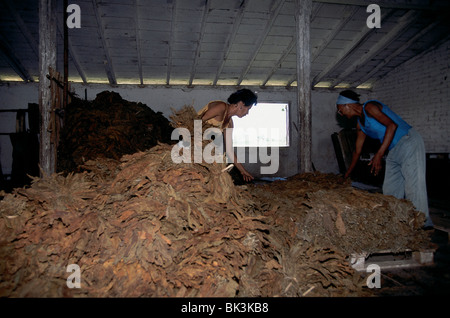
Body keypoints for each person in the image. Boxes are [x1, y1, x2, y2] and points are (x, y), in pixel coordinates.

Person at [336, 90, 433, 228]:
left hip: (408, 141)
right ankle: (397, 220)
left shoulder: (369, 107)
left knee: (413, 184)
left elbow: (392, 126)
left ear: (347, 105)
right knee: (390, 187)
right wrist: (346, 174)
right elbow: (357, 151)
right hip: (392, 148)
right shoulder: (360, 124)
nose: (342, 114)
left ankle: (423, 223)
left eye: (341, 110)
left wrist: (379, 155)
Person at [198, 88, 257, 182]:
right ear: (241, 104)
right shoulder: (221, 107)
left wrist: (243, 171)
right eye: (248, 108)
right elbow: (196, 123)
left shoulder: (229, 123)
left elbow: (229, 150)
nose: (247, 113)